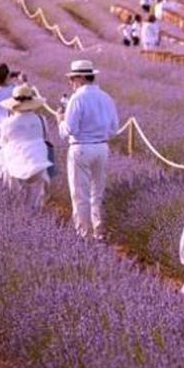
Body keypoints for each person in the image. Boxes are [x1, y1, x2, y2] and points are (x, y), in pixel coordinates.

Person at [57, 60, 120, 239]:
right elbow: (115, 127)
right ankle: (98, 230)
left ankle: (83, 234)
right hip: (102, 148)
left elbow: (68, 130)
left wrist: (60, 119)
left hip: (81, 147)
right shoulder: (106, 97)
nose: (71, 83)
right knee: (97, 192)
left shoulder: (77, 98)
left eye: (73, 78)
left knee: (80, 195)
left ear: (82, 77)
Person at [0, 84, 52, 208]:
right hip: (38, 162)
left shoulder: (8, 123)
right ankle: (32, 218)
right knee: (34, 200)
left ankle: (19, 217)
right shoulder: (41, 120)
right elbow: (45, 137)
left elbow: (2, 143)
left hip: (15, 164)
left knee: (16, 199)